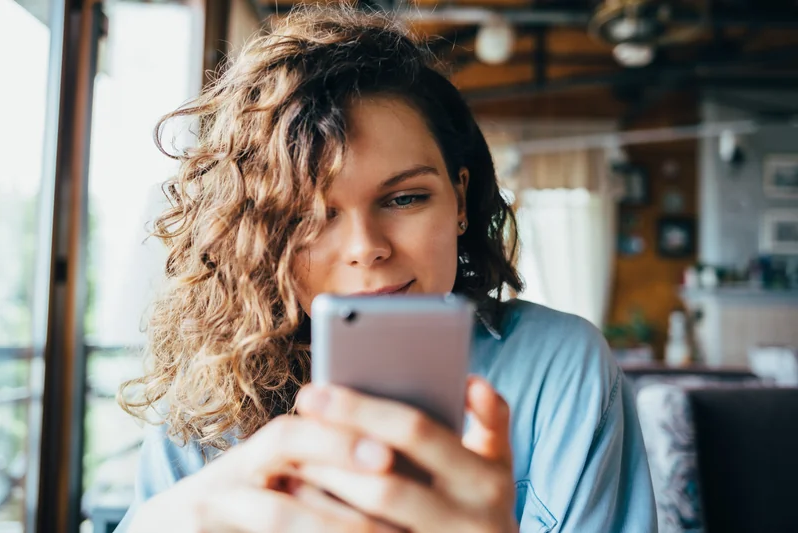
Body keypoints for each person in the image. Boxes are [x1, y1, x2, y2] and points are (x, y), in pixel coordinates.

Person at [116, 5, 656, 532]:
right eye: (310, 215)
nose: (365, 248)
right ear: (260, 236)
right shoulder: (209, 392)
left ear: (460, 200)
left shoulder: (561, 368)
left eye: (404, 199)